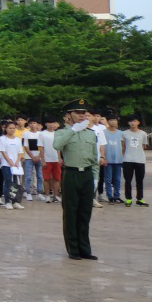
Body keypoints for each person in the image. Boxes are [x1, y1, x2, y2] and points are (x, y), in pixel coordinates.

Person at [54, 98, 100, 261]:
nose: (81, 115)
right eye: (78, 112)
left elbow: (94, 157)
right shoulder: (62, 132)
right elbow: (57, 145)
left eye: (83, 113)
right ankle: (73, 248)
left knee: (85, 213)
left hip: (87, 174)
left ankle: (85, 249)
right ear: (69, 115)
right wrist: (73, 130)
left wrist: (95, 177)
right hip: (71, 174)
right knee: (71, 212)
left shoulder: (90, 133)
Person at [0, 121, 26, 210]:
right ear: (6, 129)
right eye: (10, 128)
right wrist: (10, 162)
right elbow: (3, 151)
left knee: (16, 183)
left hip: (16, 165)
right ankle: (7, 201)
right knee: (8, 182)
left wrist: (17, 162)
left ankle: (16, 201)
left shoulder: (17, 139)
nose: (12, 130)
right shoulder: (2, 139)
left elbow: (20, 152)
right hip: (6, 164)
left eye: (13, 128)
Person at [121, 116, 147, 207]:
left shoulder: (143, 134)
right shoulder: (124, 133)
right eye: (131, 121)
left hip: (140, 160)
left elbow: (143, 146)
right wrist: (123, 157)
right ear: (128, 123)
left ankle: (140, 199)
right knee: (128, 180)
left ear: (138, 122)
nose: (133, 123)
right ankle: (128, 199)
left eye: (135, 121)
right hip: (127, 160)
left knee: (139, 180)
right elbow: (123, 147)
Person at [101, 115, 124, 204]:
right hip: (108, 159)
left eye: (114, 120)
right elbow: (102, 145)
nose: (113, 122)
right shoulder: (103, 132)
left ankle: (117, 195)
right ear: (107, 121)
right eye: (111, 120)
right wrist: (103, 157)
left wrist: (122, 157)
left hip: (118, 159)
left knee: (117, 179)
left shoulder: (120, 133)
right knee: (108, 179)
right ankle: (110, 196)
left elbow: (123, 146)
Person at [41, 119, 62, 203]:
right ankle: (47, 196)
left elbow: (59, 147)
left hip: (56, 159)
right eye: (49, 123)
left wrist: (59, 158)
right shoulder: (42, 134)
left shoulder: (57, 134)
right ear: (46, 124)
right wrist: (43, 160)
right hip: (47, 159)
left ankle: (55, 195)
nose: (51, 124)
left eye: (53, 123)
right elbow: (41, 148)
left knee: (57, 178)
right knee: (46, 178)